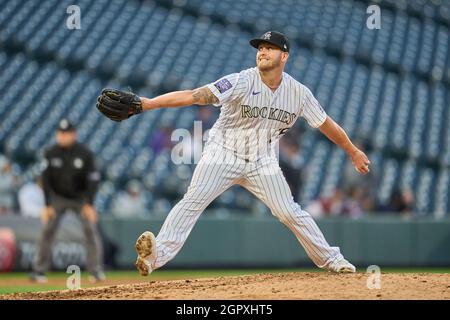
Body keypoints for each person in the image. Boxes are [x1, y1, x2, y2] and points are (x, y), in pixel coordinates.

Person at [96, 31, 371, 275]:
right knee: (193, 201)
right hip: (222, 153)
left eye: (269, 47)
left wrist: (353, 151)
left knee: (289, 211)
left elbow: (326, 124)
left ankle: (333, 259)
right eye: (259, 47)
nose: (262, 51)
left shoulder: (299, 93)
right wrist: (147, 103)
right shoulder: (240, 81)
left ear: (284, 56)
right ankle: (154, 257)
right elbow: (195, 95)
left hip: (262, 160)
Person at [30, 119, 105, 283]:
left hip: (81, 199)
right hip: (58, 198)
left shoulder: (84, 153)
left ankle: (95, 271)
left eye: (66, 133)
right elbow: (46, 180)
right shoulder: (50, 152)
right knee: (47, 230)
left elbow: (93, 180)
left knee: (90, 230)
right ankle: (39, 271)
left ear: (73, 134)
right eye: (60, 133)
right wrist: (47, 205)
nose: (63, 136)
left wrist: (90, 204)